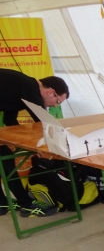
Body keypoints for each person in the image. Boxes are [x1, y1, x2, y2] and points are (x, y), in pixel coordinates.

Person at [0, 69, 69, 217]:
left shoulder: (20, 87)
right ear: (50, 92)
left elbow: (9, 119)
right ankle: (26, 204)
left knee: (3, 154)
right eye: (58, 102)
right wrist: (40, 146)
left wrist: (26, 143)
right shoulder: (30, 88)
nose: (55, 106)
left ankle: (2, 203)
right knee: (4, 156)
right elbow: (43, 122)